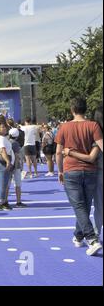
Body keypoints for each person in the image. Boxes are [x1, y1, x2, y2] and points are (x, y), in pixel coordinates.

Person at [55, 98, 103, 256]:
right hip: (90, 170)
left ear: (72, 110)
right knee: (84, 206)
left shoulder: (64, 127)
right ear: (85, 109)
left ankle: (92, 239)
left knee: (79, 206)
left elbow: (58, 152)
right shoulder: (93, 125)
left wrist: (60, 170)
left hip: (71, 169)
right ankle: (78, 235)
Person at [63, 106, 103, 237]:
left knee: (85, 205)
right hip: (94, 171)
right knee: (86, 206)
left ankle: (90, 234)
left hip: (94, 171)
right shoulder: (95, 130)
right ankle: (83, 233)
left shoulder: (95, 132)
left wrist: (71, 152)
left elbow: (91, 158)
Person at [0, 122, 14, 211]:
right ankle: (1, 203)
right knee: (3, 184)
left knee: (3, 183)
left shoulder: (1, 138)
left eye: (5, 127)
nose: (4, 128)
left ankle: (3, 201)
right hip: (3, 163)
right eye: (2, 127)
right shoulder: (1, 139)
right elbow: (3, 150)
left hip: (1, 162)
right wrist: (8, 161)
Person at [8, 128, 27, 208]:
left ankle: (4, 201)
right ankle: (18, 201)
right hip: (15, 166)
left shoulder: (7, 141)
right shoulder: (15, 143)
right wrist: (17, 166)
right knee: (17, 184)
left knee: (7, 184)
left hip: (8, 165)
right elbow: (16, 155)